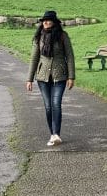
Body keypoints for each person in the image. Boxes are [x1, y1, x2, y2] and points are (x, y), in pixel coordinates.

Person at [25, 10, 75, 147]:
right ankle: (52, 134)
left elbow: (70, 56)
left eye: (48, 20)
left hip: (60, 75)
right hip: (42, 77)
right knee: (48, 107)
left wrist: (71, 76)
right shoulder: (38, 37)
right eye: (44, 20)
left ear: (54, 22)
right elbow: (34, 58)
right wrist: (29, 79)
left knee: (56, 104)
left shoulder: (63, 36)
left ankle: (57, 134)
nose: (46, 22)